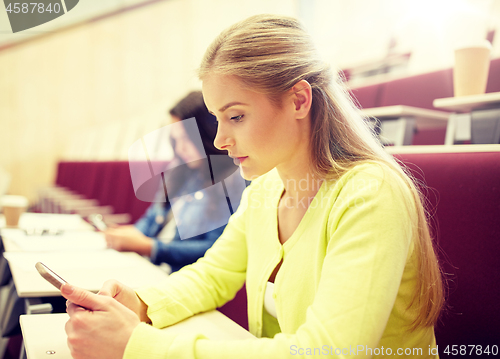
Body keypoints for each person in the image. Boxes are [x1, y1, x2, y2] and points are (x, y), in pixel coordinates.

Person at [62, 15, 444, 358]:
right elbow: (212, 276)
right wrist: (139, 303)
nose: (219, 139)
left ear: (298, 99)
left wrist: (138, 345)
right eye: (217, 119)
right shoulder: (266, 188)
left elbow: (328, 351)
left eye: (236, 116)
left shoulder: (371, 194)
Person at [104, 91, 245, 272]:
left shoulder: (234, 181)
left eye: (186, 138)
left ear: (206, 134)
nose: (180, 148)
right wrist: (129, 235)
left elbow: (215, 249)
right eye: (175, 139)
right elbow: (152, 218)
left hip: (178, 276)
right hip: (149, 267)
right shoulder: (181, 170)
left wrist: (148, 247)